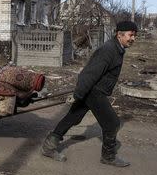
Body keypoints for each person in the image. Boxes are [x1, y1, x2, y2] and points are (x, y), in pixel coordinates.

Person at [42, 21, 138, 167]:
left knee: (73, 117)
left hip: (93, 90)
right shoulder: (109, 50)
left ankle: (49, 147)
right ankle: (108, 157)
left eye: (134, 35)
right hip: (94, 91)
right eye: (131, 35)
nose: (133, 39)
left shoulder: (117, 48)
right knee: (112, 124)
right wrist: (78, 94)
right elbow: (89, 74)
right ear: (119, 34)